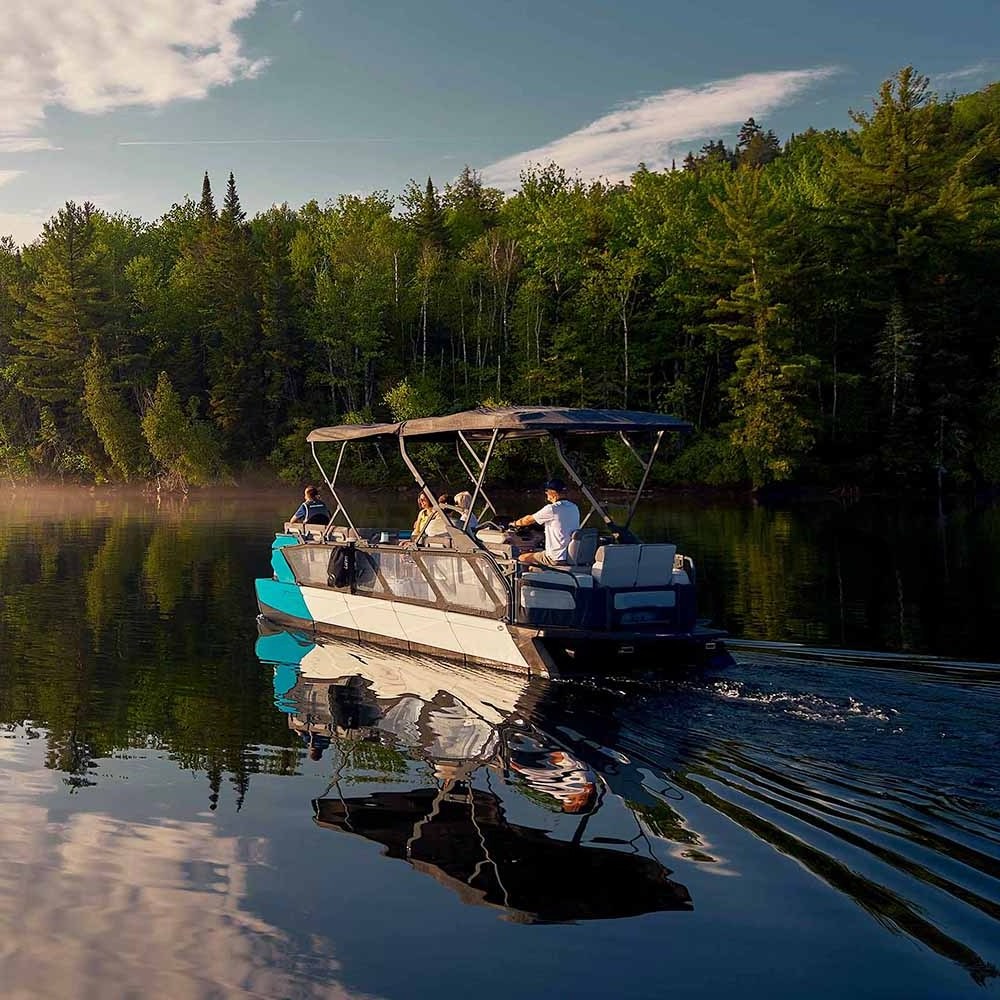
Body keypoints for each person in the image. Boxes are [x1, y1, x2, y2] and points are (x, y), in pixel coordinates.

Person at [510, 478, 580, 567]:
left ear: (553, 493)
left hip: (555, 558)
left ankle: (523, 580)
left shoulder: (552, 508)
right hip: (569, 556)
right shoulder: (574, 507)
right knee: (535, 553)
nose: (546, 493)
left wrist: (514, 524)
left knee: (522, 558)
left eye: (547, 490)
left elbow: (527, 520)